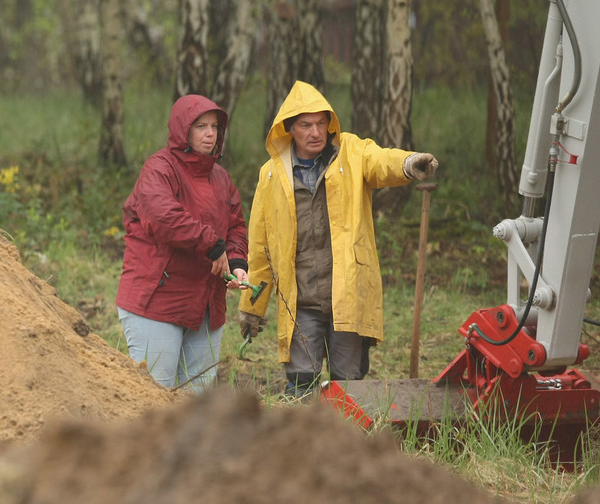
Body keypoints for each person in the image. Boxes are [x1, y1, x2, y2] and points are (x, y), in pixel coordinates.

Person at [238, 81, 438, 397]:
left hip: (347, 295)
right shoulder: (271, 175)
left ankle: (348, 443)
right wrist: (252, 305)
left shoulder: (351, 153)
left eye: (321, 123)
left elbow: (380, 161)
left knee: (349, 385)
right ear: (290, 128)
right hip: (300, 301)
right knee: (301, 384)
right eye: (305, 125)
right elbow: (262, 249)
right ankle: (301, 444)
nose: (315, 132)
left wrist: (407, 163)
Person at [116, 94, 249, 392]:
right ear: (182, 130)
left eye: (214, 126)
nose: (210, 133)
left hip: (206, 302)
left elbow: (236, 225)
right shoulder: (159, 168)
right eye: (201, 126)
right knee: (153, 397)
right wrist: (213, 246)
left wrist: (237, 263)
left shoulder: (221, 178)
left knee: (195, 404)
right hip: (158, 300)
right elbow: (164, 218)